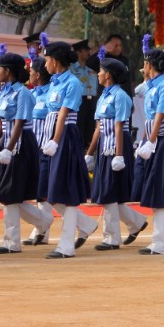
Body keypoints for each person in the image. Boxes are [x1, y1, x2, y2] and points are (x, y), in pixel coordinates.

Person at [0, 52, 51, 255]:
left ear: (9, 71)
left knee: (9, 195)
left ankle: (12, 242)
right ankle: (43, 220)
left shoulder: (23, 93)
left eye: (1, 69)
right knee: (8, 195)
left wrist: (9, 150)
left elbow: (20, 123)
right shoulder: (4, 92)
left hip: (20, 145)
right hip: (7, 143)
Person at [40, 40, 97, 259]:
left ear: (54, 61)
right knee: (50, 191)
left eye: (47, 60)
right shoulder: (54, 82)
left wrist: (55, 140)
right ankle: (85, 224)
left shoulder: (72, 83)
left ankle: (66, 245)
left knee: (66, 190)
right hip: (52, 136)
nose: (45, 65)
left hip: (65, 137)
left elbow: (63, 113)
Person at [87, 57, 147, 250]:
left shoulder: (121, 96)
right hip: (105, 148)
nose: (98, 74)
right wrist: (90, 152)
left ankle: (112, 238)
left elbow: (120, 126)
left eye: (101, 71)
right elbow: (98, 127)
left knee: (110, 193)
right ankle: (136, 222)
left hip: (117, 148)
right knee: (105, 191)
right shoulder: (103, 95)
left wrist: (119, 155)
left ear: (109, 75)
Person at [135, 48, 164, 255]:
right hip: (155, 139)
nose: (143, 66)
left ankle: (162, 242)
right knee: (154, 187)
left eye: (145, 62)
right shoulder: (152, 86)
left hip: (163, 139)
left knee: (160, 188)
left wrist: (151, 141)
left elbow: (161, 115)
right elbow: (141, 92)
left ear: (150, 64)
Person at [22, 57, 57, 247]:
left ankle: (42, 229)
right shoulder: (31, 93)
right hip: (32, 147)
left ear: (37, 74)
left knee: (43, 190)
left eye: (30, 71)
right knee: (38, 189)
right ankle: (42, 229)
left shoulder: (51, 93)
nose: (29, 74)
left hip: (46, 147)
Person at [69, 39, 99, 152]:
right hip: (79, 101)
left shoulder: (91, 70)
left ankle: (87, 150)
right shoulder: (71, 69)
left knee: (90, 128)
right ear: (78, 52)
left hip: (91, 102)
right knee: (79, 128)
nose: (88, 52)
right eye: (86, 50)